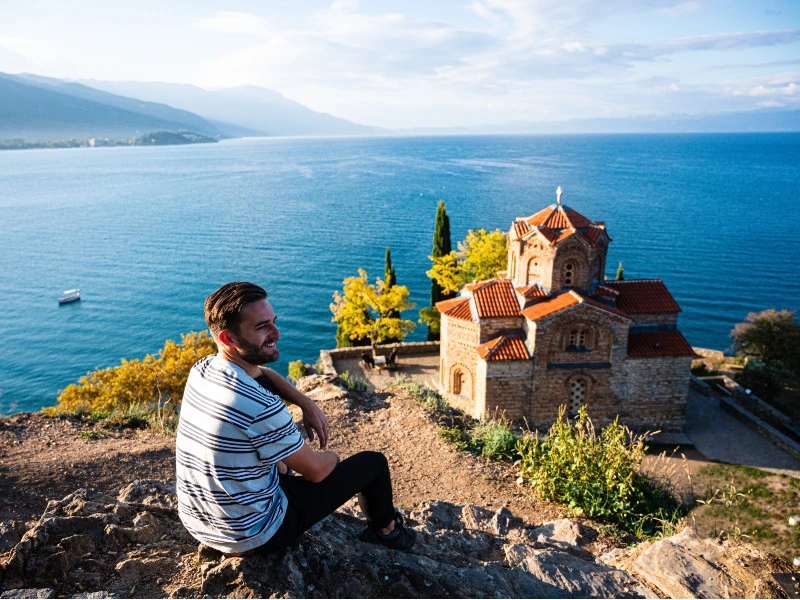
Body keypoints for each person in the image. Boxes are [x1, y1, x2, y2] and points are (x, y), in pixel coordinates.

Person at [176, 282, 416, 556]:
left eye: (273, 322)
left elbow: (262, 375)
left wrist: (304, 401)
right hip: (253, 534)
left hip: (199, 521)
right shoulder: (259, 406)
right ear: (229, 339)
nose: (276, 333)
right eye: (261, 327)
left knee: (281, 466)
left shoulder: (205, 369)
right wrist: (336, 459)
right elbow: (316, 471)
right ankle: (387, 531)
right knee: (373, 464)